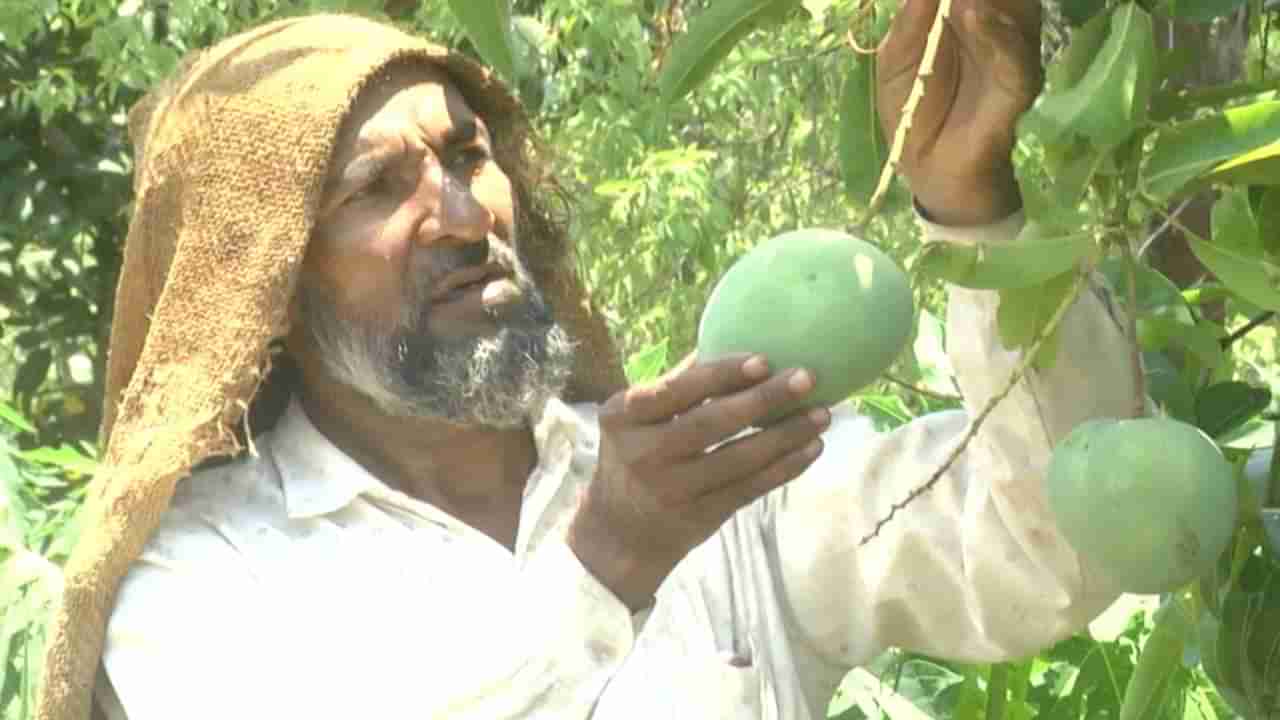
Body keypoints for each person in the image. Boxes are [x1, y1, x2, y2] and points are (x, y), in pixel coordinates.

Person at [37, 1, 1136, 718]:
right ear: (265, 287)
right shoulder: (201, 580)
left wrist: (974, 207)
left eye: (469, 156)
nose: (464, 214)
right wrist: (605, 565)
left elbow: (1058, 548)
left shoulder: (705, 481)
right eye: (376, 189)